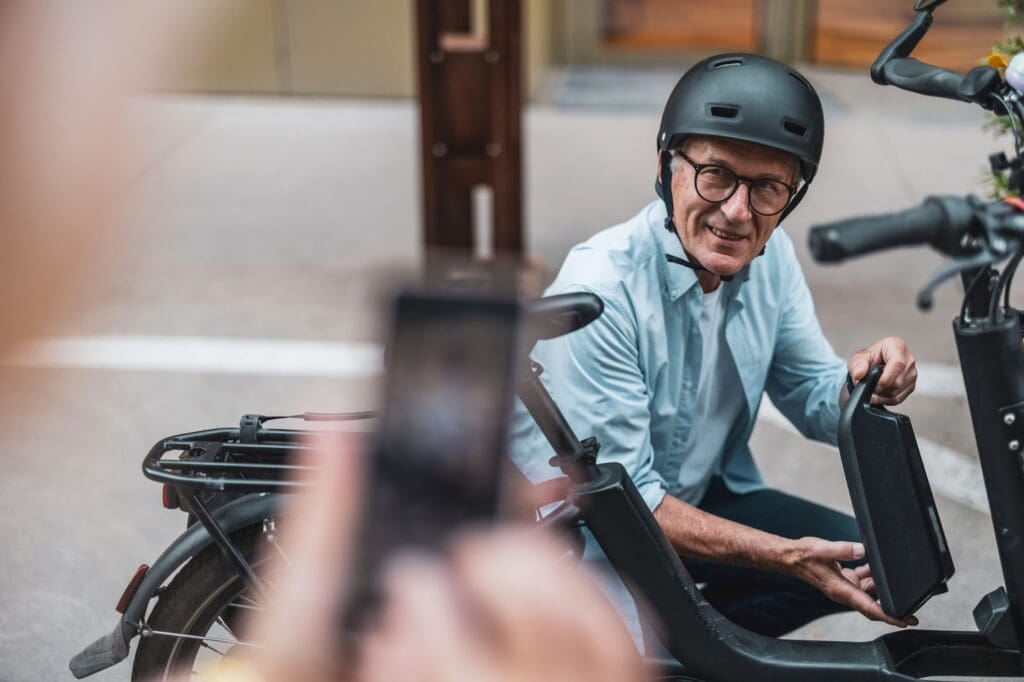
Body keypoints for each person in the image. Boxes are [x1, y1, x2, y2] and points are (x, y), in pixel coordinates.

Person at [510, 53, 920, 650]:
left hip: (690, 497)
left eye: (767, 188)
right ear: (666, 167)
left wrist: (867, 383)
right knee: (628, 659)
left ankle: (693, 636)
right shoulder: (601, 290)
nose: (736, 211)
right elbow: (628, 503)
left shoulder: (770, 255)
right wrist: (784, 556)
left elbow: (810, 393)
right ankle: (665, 639)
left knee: (868, 562)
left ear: (791, 197)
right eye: (716, 174)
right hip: (584, 531)